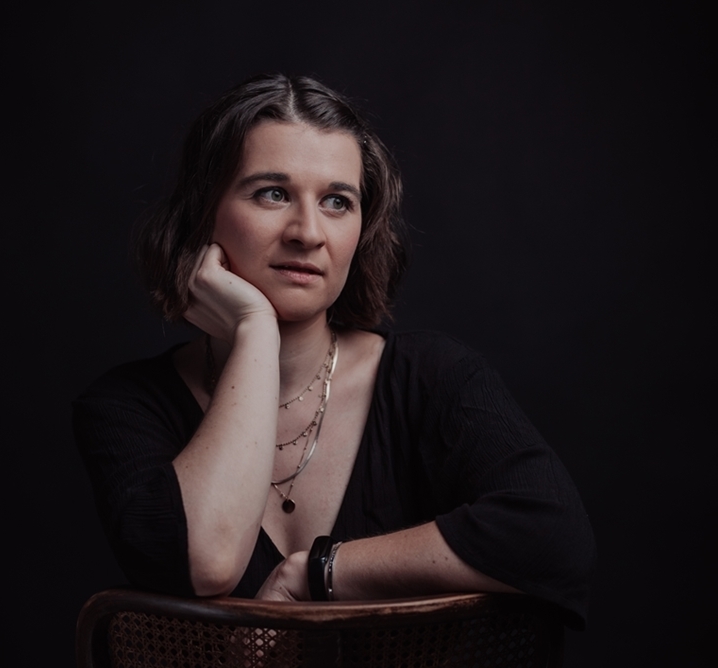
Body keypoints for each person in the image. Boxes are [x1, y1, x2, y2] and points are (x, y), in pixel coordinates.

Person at [73, 72, 595, 624]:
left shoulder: (435, 378)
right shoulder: (125, 408)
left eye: (337, 202)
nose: (308, 232)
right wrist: (255, 329)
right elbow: (207, 562)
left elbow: (554, 538)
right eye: (272, 193)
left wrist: (320, 571)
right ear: (203, 212)